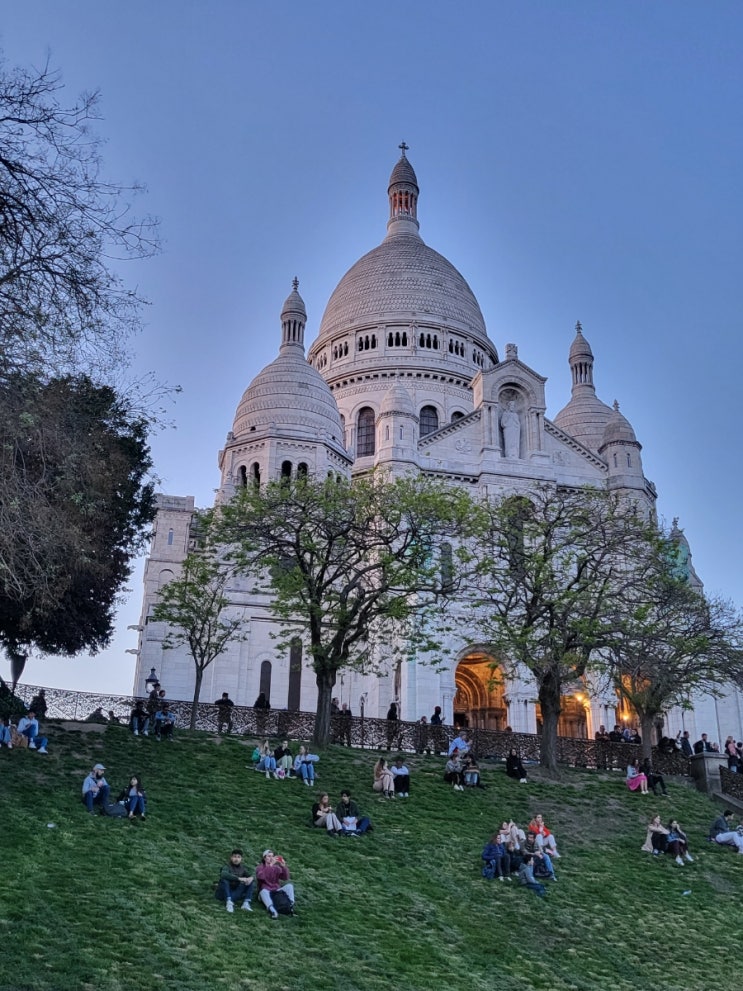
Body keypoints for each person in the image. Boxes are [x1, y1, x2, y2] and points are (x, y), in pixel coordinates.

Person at [255, 850, 295, 918]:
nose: (271, 858)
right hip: (266, 891)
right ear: (264, 858)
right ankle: (272, 910)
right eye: (269, 856)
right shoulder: (260, 868)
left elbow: (285, 878)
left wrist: (283, 866)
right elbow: (261, 876)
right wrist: (270, 866)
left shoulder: (276, 868)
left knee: (289, 886)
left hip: (276, 890)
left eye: (272, 856)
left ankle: (290, 905)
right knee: (263, 892)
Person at [216, 849, 254, 913]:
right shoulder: (227, 866)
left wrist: (252, 877)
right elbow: (223, 874)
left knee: (250, 881)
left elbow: (252, 875)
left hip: (234, 893)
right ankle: (228, 903)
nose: (236, 859)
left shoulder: (242, 868)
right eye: (234, 857)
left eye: (238, 857)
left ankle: (246, 903)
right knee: (224, 880)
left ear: (241, 859)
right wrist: (239, 878)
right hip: (224, 894)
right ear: (231, 857)